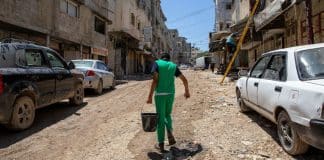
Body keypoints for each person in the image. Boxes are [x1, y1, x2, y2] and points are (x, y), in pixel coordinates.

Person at [146, 53, 190, 152]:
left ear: (161, 58)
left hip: (160, 95)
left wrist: (149, 97)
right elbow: (185, 80)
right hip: (170, 94)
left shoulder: (157, 63)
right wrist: (187, 91)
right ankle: (169, 132)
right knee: (167, 115)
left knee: (160, 118)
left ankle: (161, 144)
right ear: (169, 59)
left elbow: (155, 81)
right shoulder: (173, 66)